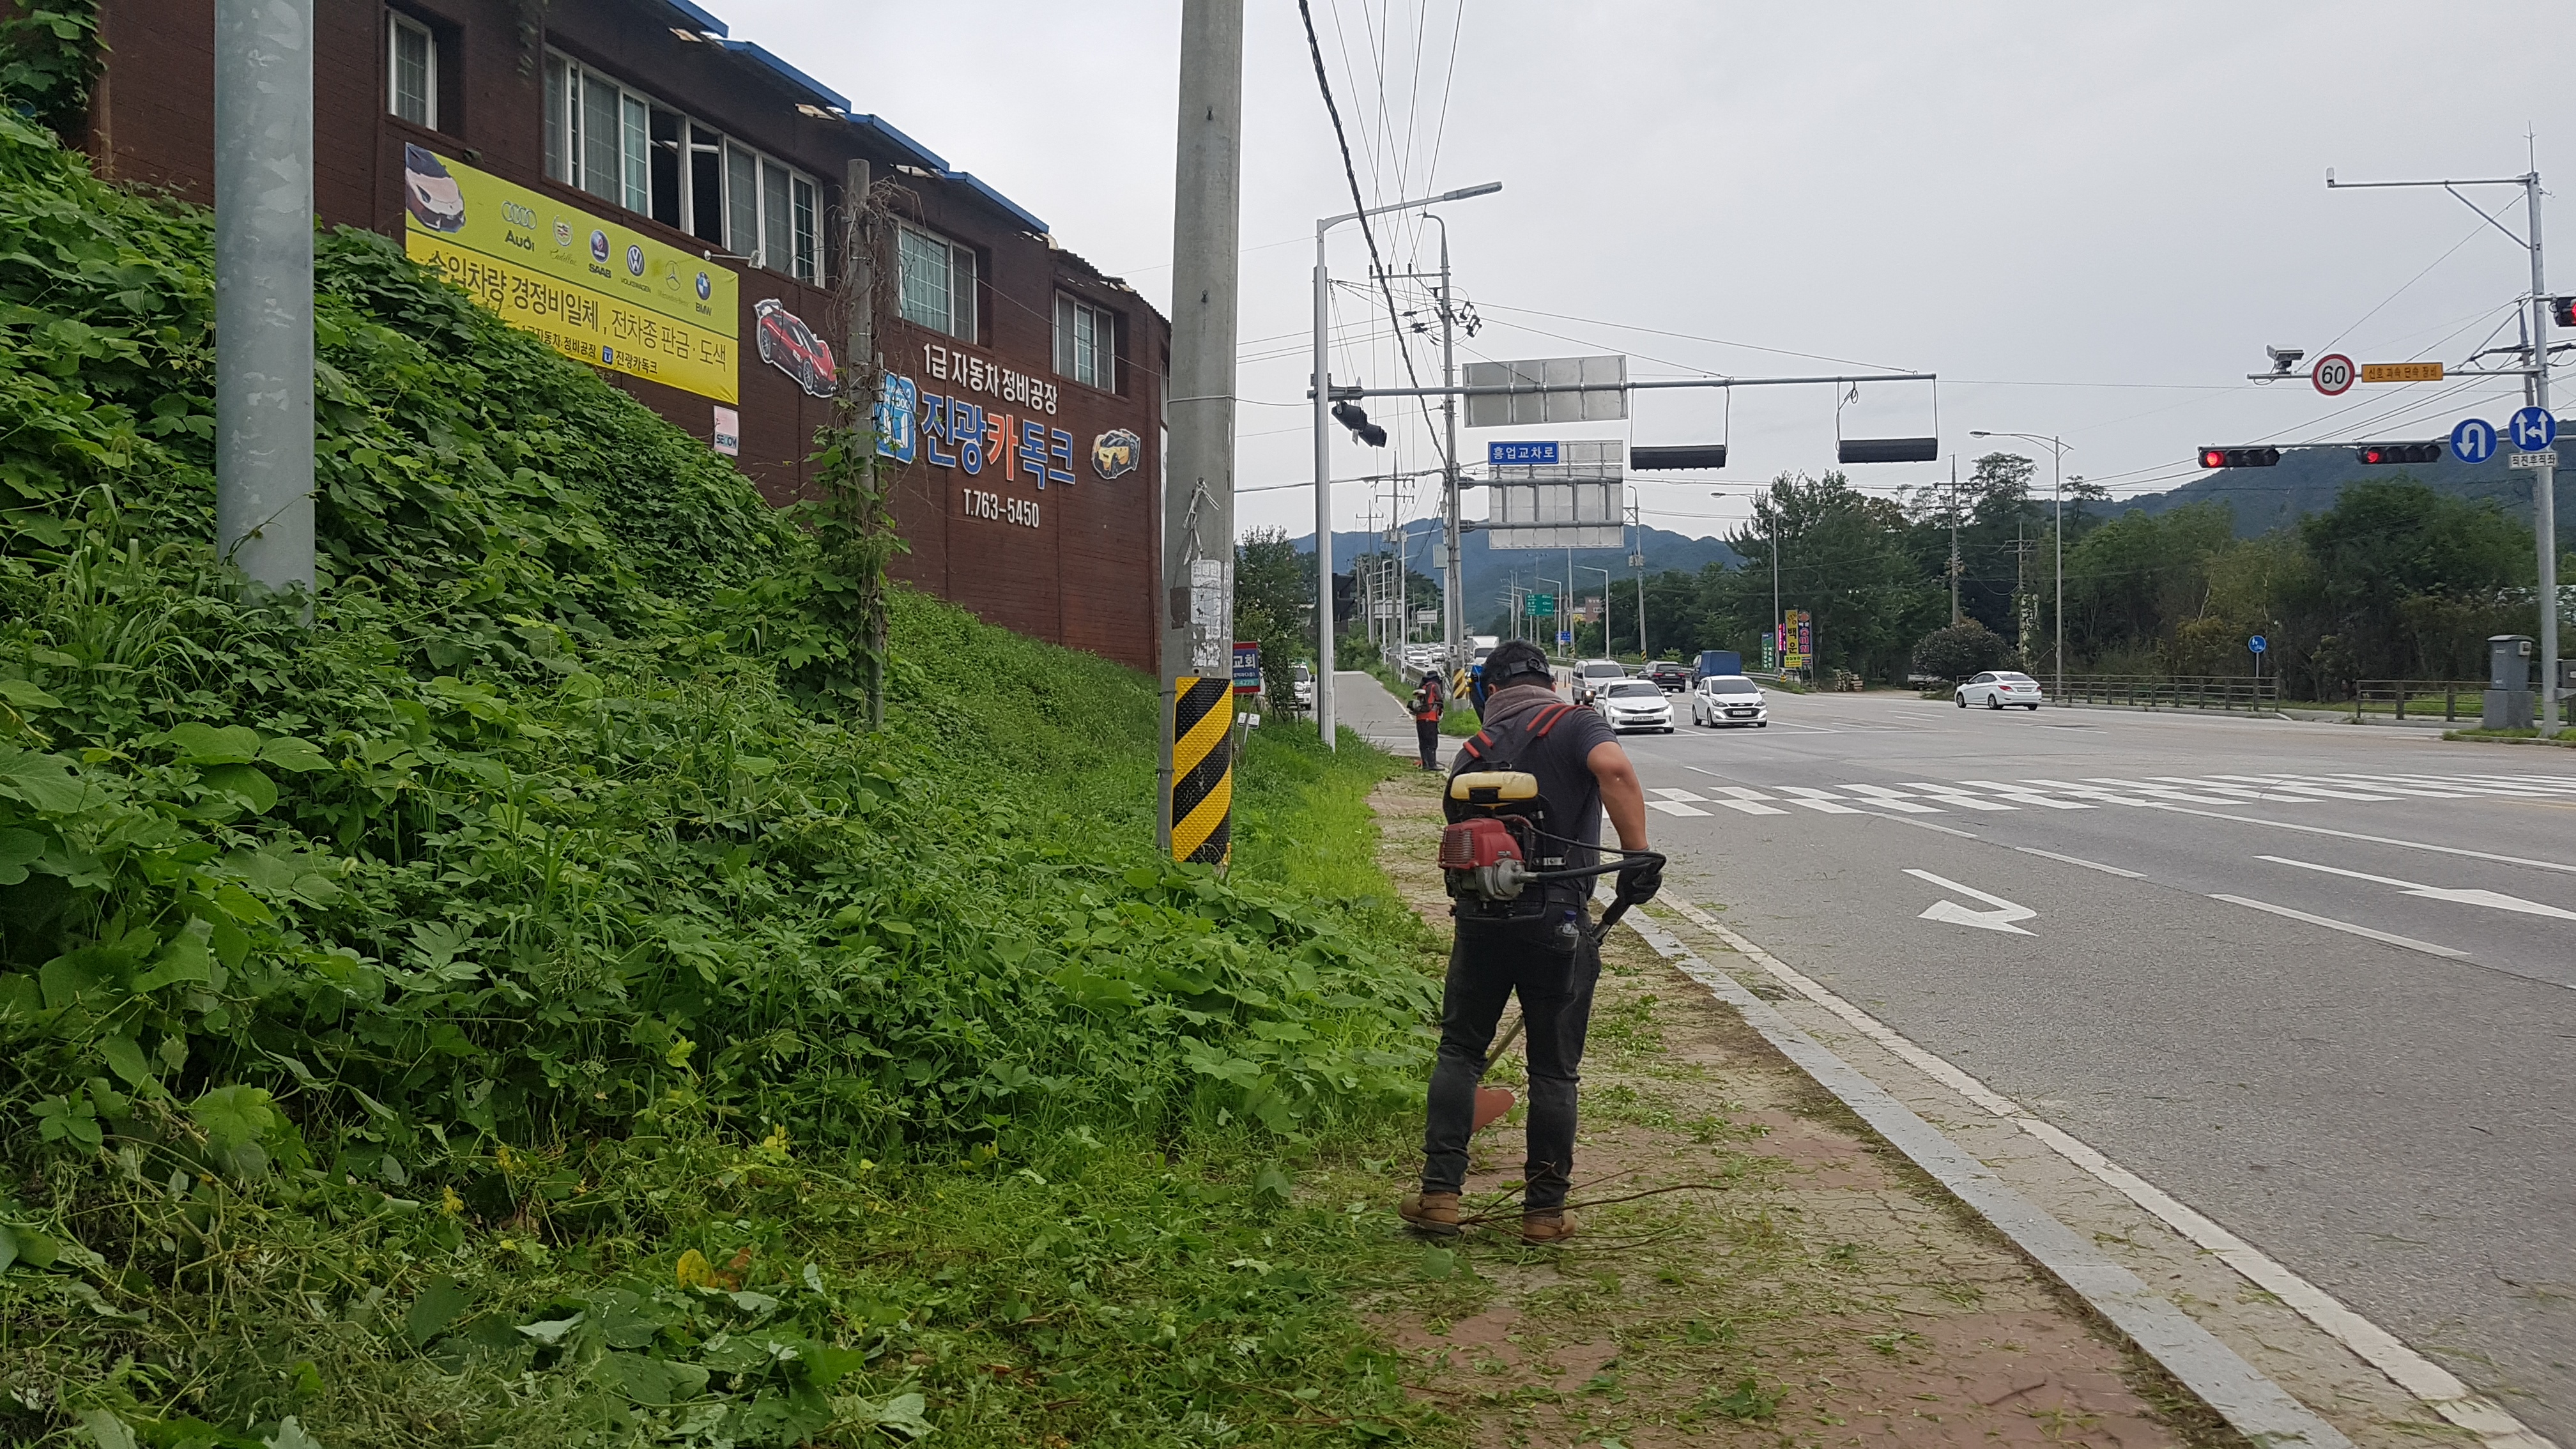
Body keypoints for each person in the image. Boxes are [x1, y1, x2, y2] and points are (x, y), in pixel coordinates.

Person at [1401, 639, 1659, 1245]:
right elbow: (1615, 769)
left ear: (1489, 691)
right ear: (1548, 683)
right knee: (1553, 1071)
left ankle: (1440, 1196)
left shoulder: (1473, 751)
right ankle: (1544, 1213)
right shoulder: (1575, 724)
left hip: (1481, 921)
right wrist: (1637, 857)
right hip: (1558, 921)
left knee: (1460, 1052)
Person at [1406, 670, 1445, 771]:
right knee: (1432, 743)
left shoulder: (1422, 687)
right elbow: (1440, 700)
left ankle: (1425, 765)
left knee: (1423, 743)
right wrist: (1441, 712)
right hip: (1431, 718)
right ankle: (1432, 765)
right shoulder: (1434, 686)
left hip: (1420, 718)